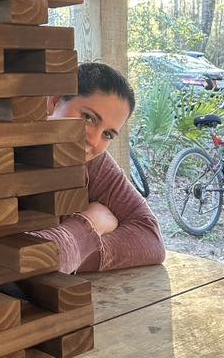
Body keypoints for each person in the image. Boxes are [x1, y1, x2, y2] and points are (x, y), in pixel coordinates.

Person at [30, 62, 166, 273]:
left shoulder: (93, 161)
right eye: (88, 118)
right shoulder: (1, 156)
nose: (94, 140)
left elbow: (151, 239)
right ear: (54, 102)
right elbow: (19, 266)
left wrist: (70, 254)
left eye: (108, 134)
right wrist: (91, 224)